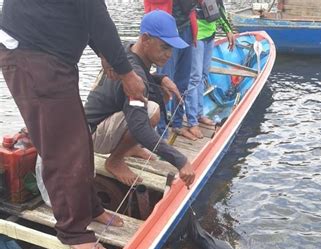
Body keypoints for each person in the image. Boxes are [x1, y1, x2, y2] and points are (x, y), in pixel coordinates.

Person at [0, 0, 146, 249]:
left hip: (50, 58)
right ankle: (73, 230)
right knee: (62, 147)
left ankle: (90, 208)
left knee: (79, 137)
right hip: (32, 56)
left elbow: (83, 13)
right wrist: (127, 74)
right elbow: (96, 16)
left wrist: (104, 52)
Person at [84, 10, 195, 189]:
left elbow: (142, 76)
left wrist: (160, 79)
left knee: (159, 95)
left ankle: (129, 147)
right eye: (164, 47)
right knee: (151, 111)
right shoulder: (134, 75)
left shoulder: (127, 50)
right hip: (92, 134)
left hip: (96, 124)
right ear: (145, 39)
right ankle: (115, 160)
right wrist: (180, 161)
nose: (169, 54)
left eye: (171, 49)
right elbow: (140, 127)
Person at [144, 0, 201, 141]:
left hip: (186, 27)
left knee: (183, 81)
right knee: (163, 82)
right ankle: (161, 132)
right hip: (164, 31)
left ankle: (177, 123)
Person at [185, 0, 235, 139]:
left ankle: (200, 114)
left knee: (203, 75)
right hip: (196, 35)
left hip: (210, 34)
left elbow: (219, 9)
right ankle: (192, 122)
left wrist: (228, 30)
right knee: (194, 78)